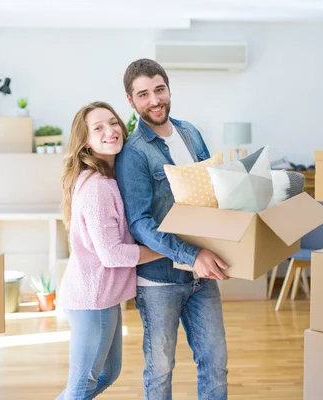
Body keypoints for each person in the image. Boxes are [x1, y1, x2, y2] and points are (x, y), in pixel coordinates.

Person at [115, 59, 230, 400]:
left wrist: (226, 249)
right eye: (144, 94)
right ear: (131, 100)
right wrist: (192, 254)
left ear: (169, 88)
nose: (154, 100)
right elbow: (140, 222)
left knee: (215, 363)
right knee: (161, 370)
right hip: (159, 280)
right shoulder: (134, 152)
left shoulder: (190, 133)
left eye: (159, 89)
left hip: (202, 277)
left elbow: (214, 192)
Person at [57, 101, 163, 399]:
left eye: (113, 123)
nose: (110, 131)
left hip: (102, 296)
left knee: (107, 373)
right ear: (86, 142)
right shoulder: (99, 187)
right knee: (81, 387)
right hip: (94, 300)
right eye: (98, 128)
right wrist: (167, 250)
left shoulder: (107, 178)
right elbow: (112, 254)